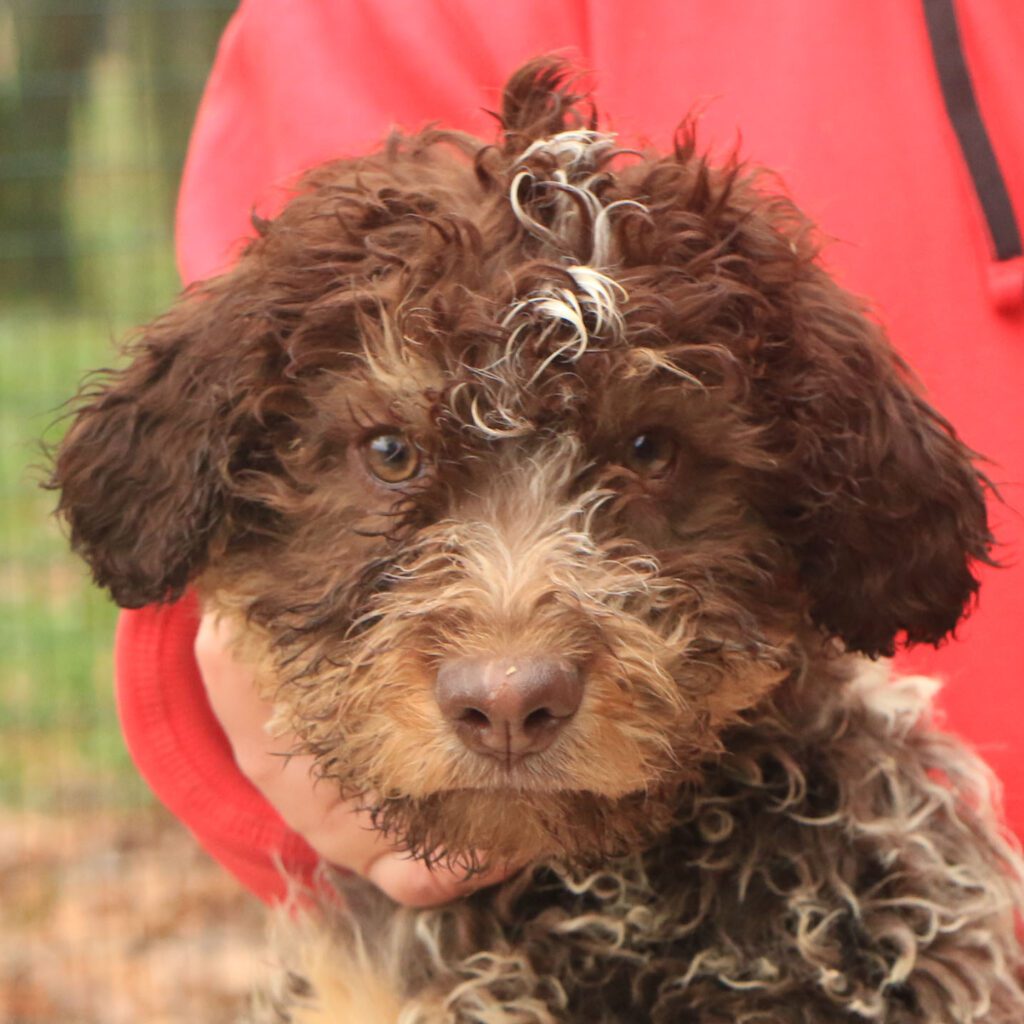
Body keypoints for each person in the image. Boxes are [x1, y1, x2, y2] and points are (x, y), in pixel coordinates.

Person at [116, 0, 1024, 906]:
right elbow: (164, 554)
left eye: (647, 451)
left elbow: (903, 563)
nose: (506, 677)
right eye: (392, 454)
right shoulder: (375, 30)